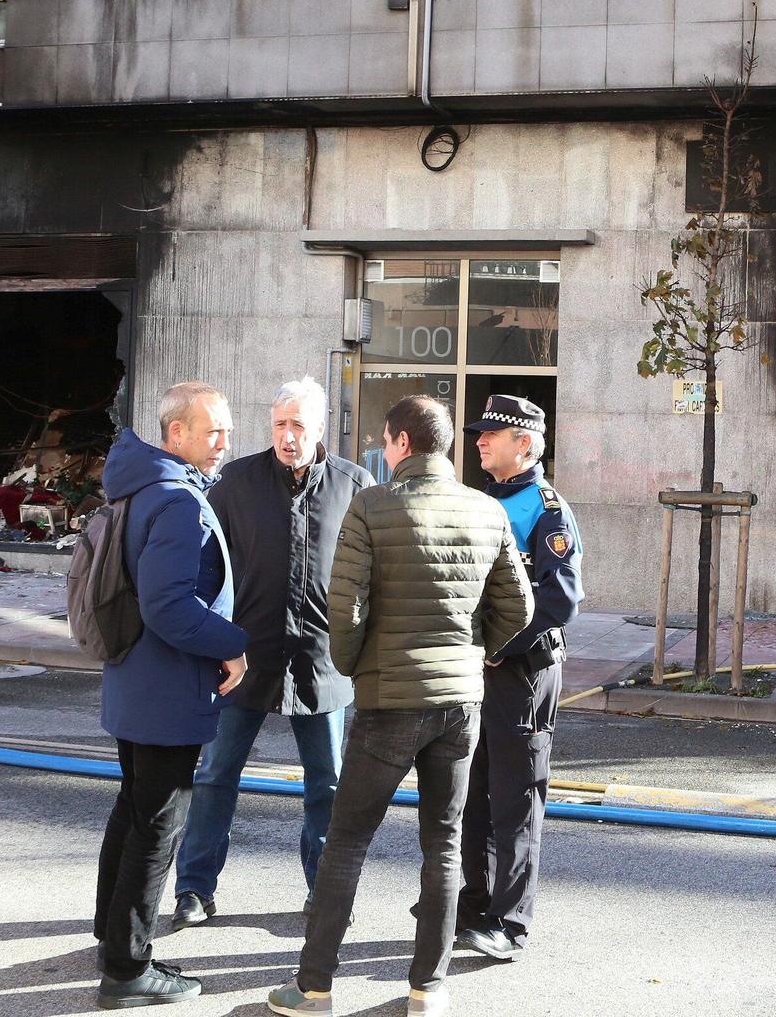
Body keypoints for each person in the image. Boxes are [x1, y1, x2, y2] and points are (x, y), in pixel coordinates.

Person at [266, 395, 533, 1017]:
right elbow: (517, 608)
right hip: (459, 702)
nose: (383, 454)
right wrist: (473, 651)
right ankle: (426, 989)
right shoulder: (486, 510)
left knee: (348, 841)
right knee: (442, 844)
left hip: (389, 699)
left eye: (386, 443)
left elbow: (345, 606)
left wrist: (357, 664)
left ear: (402, 445)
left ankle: (313, 988)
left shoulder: (372, 505)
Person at [170, 377, 373, 929]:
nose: (287, 436)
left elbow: (372, 578)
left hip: (324, 662)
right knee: (215, 775)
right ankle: (194, 888)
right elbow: (204, 569)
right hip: (242, 658)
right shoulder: (234, 483)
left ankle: (324, 892)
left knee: (327, 784)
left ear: (321, 428)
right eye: (280, 424)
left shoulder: (355, 487)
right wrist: (208, 639)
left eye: (298, 426)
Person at [91, 381, 250, 1009]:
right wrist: (232, 642)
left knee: (133, 811)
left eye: (227, 431)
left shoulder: (139, 488)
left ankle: (111, 937)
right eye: (212, 431)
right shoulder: (177, 502)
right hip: (167, 689)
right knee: (158, 827)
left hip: (136, 682)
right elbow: (167, 605)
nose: (223, 443)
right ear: (175, 434)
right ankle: (128, 969)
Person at [456, 395, 583, 962]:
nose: (479, 441)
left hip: (521, 671)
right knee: (473, 793)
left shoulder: (547, 509)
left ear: (524, 444)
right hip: (480, 668)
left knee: (516, 797)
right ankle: (476, 904)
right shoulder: (484, 498)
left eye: (491, 434)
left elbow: (559, 600)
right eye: (479, 433)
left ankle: (509, 923)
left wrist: (498, 649)